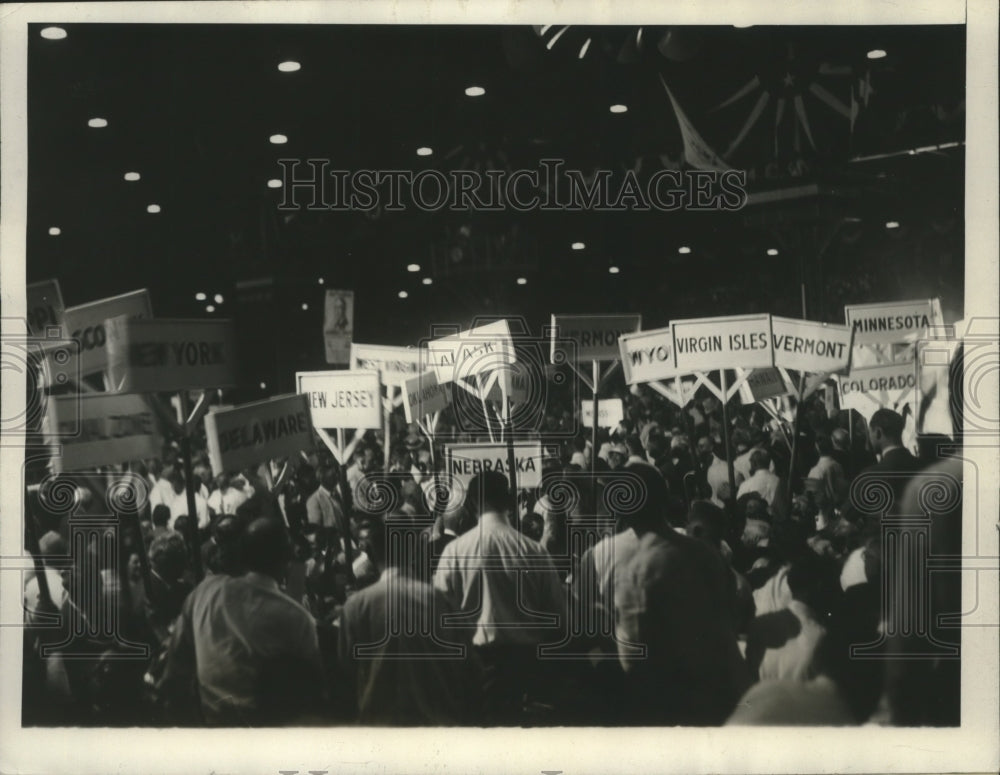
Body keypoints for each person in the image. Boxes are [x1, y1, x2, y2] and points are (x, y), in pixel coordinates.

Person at [613, 463, 750, 725]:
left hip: (674, 704)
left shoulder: (637, 569)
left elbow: (631, 659)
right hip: (724, 690)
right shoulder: (707, 553)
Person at [160, 517, 324, 724]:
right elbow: (314, 691)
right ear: (286, 562)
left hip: (210, 726)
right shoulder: (296, 618)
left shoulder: (204, 593)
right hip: (268, 732)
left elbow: (174, 673)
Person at [433, 471, 566, 723]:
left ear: (472, 503)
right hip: (526, 673)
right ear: (508, 501)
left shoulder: (454, 552)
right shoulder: (534, 551)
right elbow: (558, 617)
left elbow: (440, 620)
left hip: (475, 670)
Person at [337, 516, 481, 724]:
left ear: (372, 553)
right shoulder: (439, 602)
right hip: (434, 722)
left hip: (379, 723)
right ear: (414, 551)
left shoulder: (357, 606)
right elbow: (468, 667)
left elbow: (346, 673)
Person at [736, 449, 783, 515]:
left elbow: (739, 507)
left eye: (750, 461)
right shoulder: (779, 481)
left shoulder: (745, 485)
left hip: (754, 519)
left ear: (754, 463)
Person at [807, 434, 848, 507]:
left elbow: (812, 497)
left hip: (824, 508)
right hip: (841, 505)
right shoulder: (838, 466)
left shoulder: (815, 471)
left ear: (817, 449)